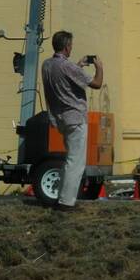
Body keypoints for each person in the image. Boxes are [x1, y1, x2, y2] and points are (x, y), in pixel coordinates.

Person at [41, 30, 103, 211]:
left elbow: (66, 78)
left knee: (70, 159)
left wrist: (79, 65)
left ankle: (60, 196)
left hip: (59, 117)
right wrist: (99, 67)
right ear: (67, 46)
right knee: (75, 161)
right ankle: (66, 202)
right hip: (75, 118)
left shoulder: (47, 65)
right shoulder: (68, 67)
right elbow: (97, 84)